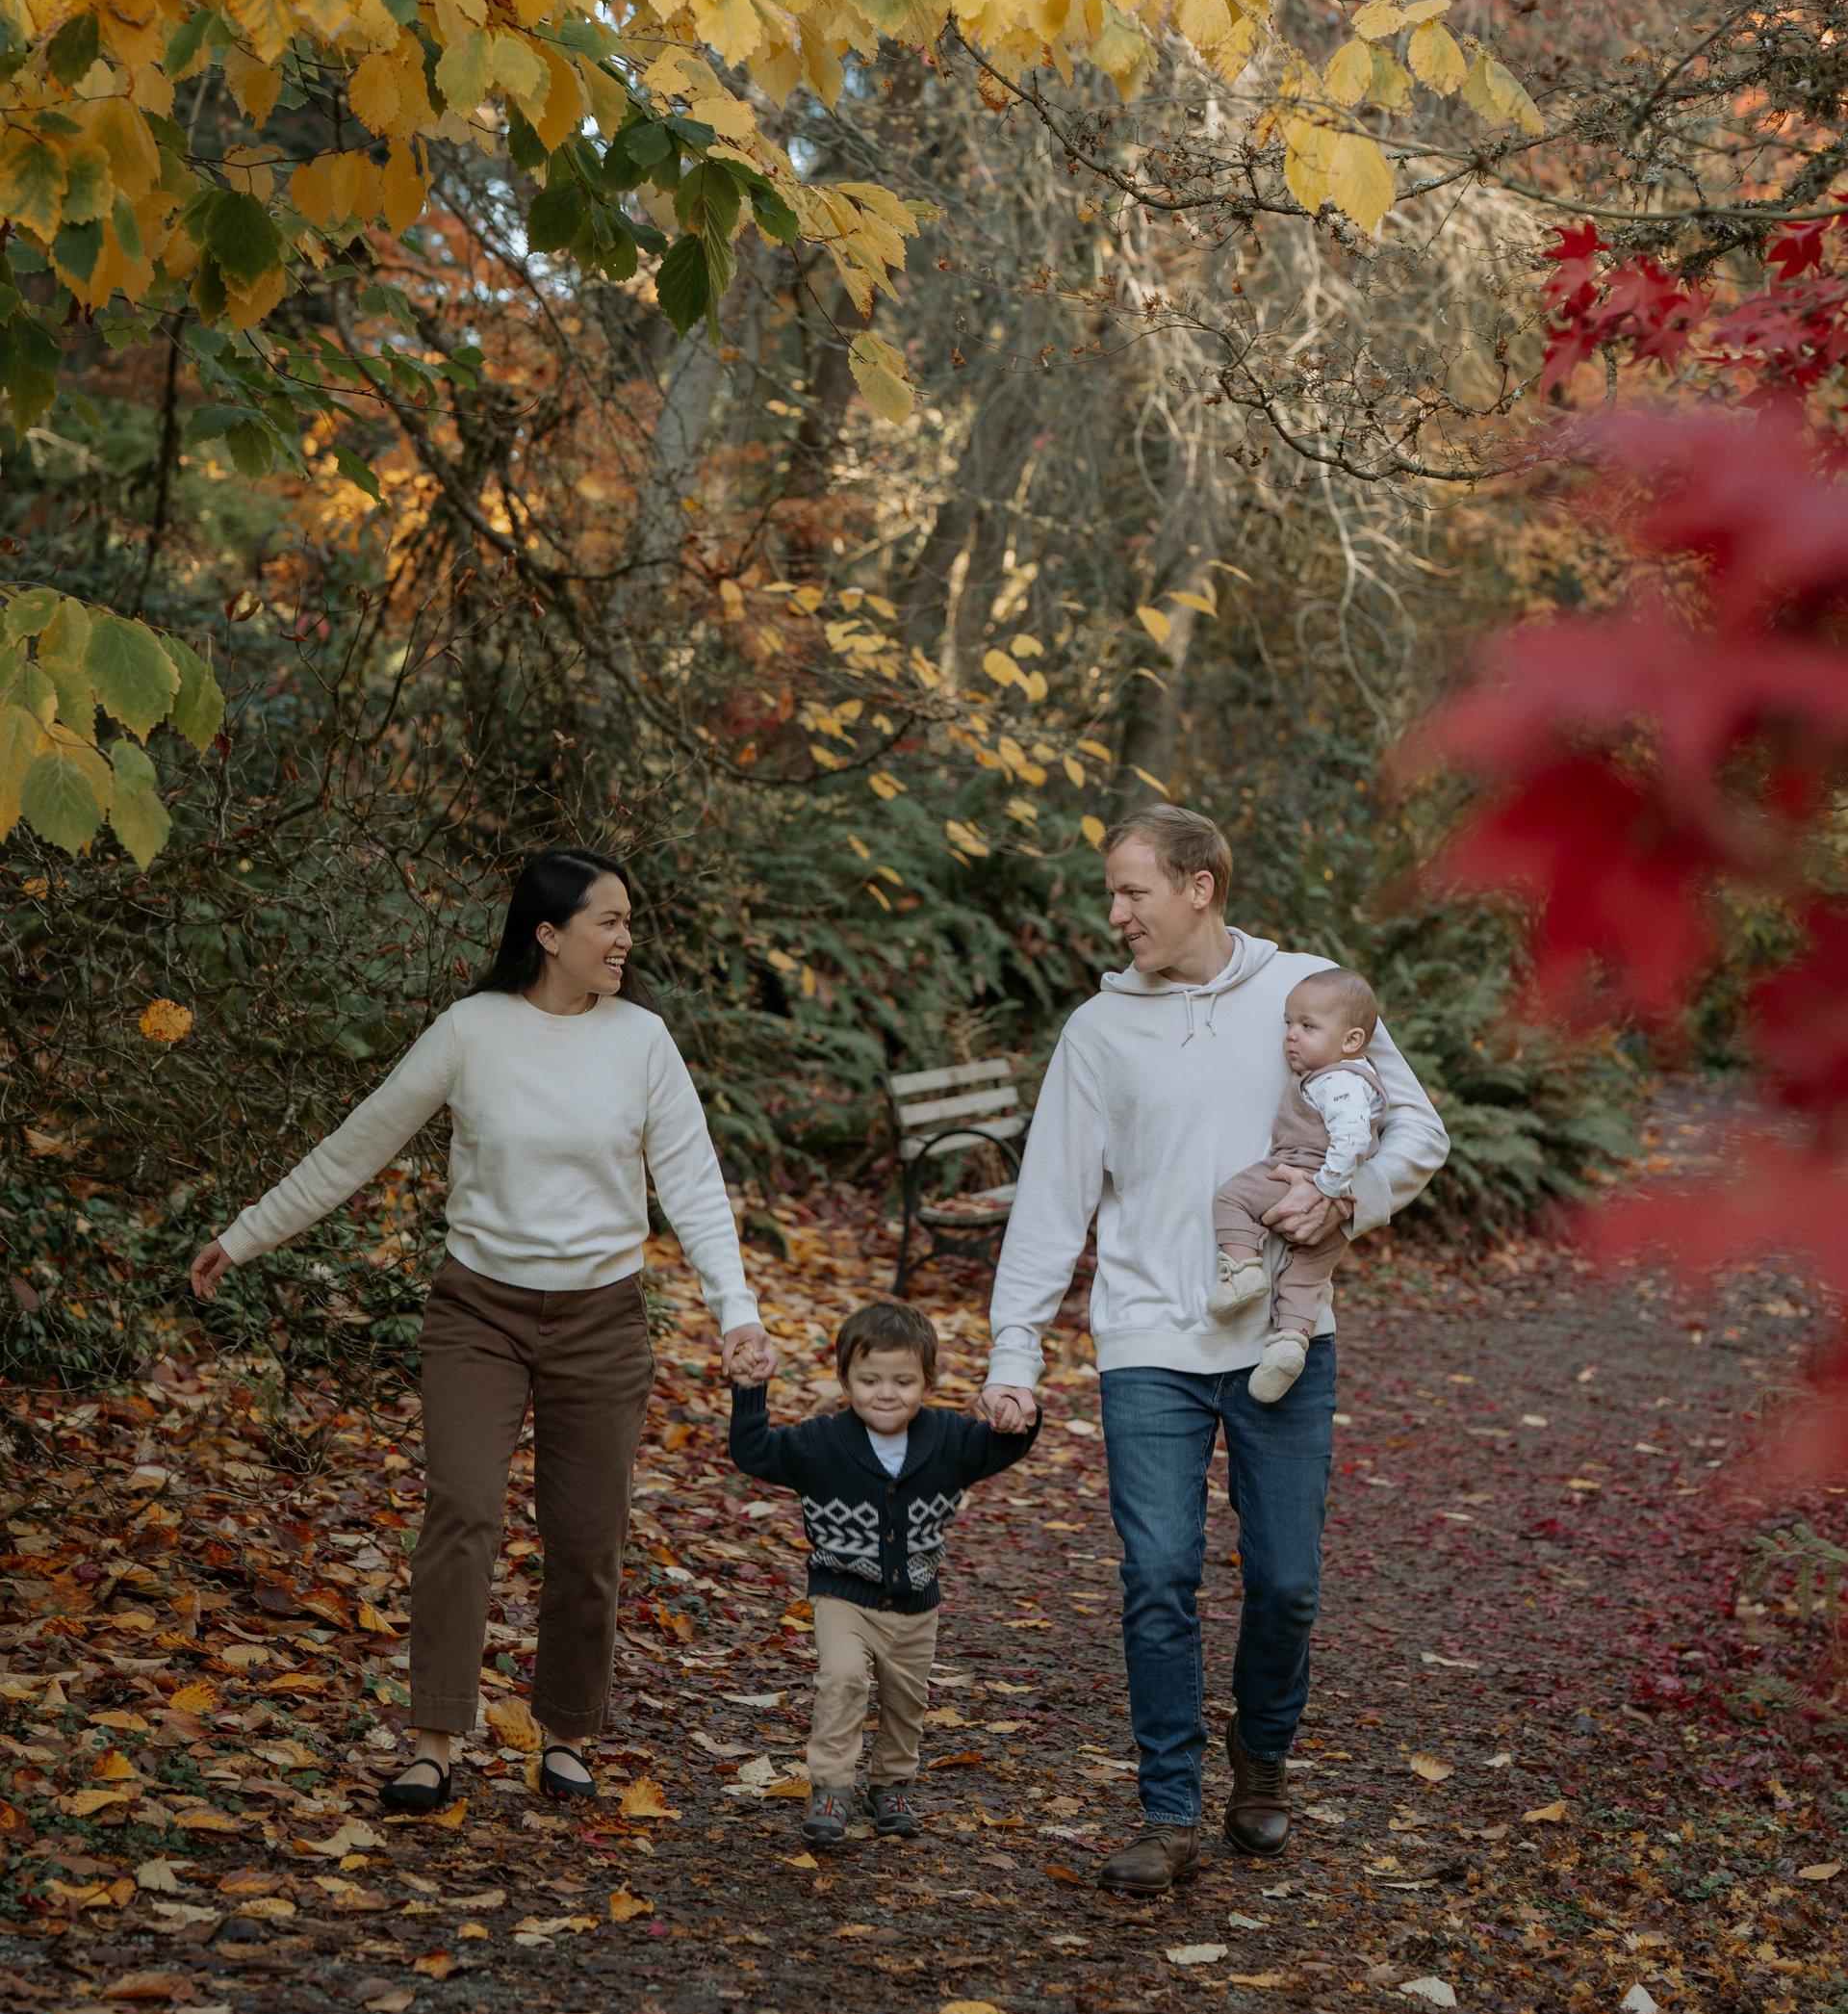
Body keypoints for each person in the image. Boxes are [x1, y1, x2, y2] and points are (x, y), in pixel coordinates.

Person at [189, 847, 774, 1814]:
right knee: (462, 1512)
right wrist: (243, 1237)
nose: (626, 939)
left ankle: (566, 1736)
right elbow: (358, 1145)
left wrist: (737, 1315)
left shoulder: (643, 1042)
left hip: (602, 1321)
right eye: (608, 922)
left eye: (628, 922)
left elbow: (695, 1189)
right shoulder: (470, 1032)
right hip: (479, 1316)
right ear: (548, 935)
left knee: (587, 1542)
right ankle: (434, 1743)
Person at [977, 808, 1448, 1895]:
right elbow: (1052, 1201)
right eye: (1112, 893)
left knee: (1285, 1582)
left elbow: (1417, 1128)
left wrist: (1345, 1207)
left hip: (1284, 1335)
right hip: (1148, 1337)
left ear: (1200, 886)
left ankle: (1263, 1759)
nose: (1116, 913)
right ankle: (1169, 1806)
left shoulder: (1312, 992)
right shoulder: (1099, 1031)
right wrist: (1015, 1353)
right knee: (1159, 1575)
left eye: (1133, 890)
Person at [726, 1300, 1039, 1846]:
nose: (886, 1393)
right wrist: (750, 1392)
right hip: (842, 1594)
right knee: (842, 1679)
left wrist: (1013, 1412)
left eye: (902, 1380)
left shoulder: (948, 1439)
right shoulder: (820, 1443)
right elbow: (754, 1453)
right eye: (869, 1379)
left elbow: (1003, 1445)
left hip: (916, 1604)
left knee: (905, 1698)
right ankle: (831, 1786)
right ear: (846, 1380)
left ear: (928, 1381)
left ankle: (890, 1783)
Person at [1207, 966, 1386, 1402]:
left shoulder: (1336, 1080)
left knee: (1232, 1197)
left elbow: (1352, 1139)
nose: (1291, 1035)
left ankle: (1243, 1269)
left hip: (1302, 1175)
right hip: (1342, 1202)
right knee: (1305, 1277)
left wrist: (1324, 1186)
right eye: (1288, 1023)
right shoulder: (1353, 1076)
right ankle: (1289, 1343)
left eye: (1307, 1026)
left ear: (1350, 1041)